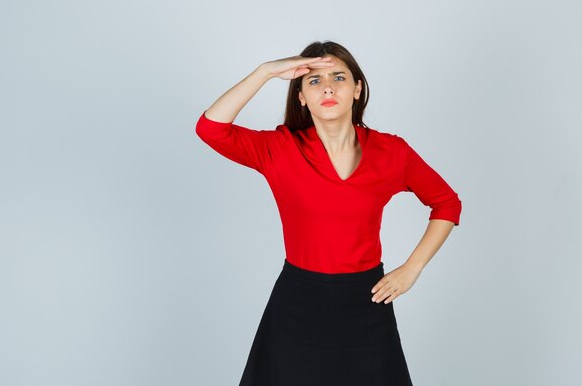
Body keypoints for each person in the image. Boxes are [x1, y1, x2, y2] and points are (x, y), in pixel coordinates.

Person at [195, 40, 462, 386]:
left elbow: (447, 203)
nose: (328, 88)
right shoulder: (280, 149)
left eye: (339, 77)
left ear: (357, 89)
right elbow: (210, 129)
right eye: (315, 81)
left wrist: (412, 268)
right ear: (301, 97)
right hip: (297, 303)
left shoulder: (390, 151)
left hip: (366, 302)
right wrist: (266, 71)